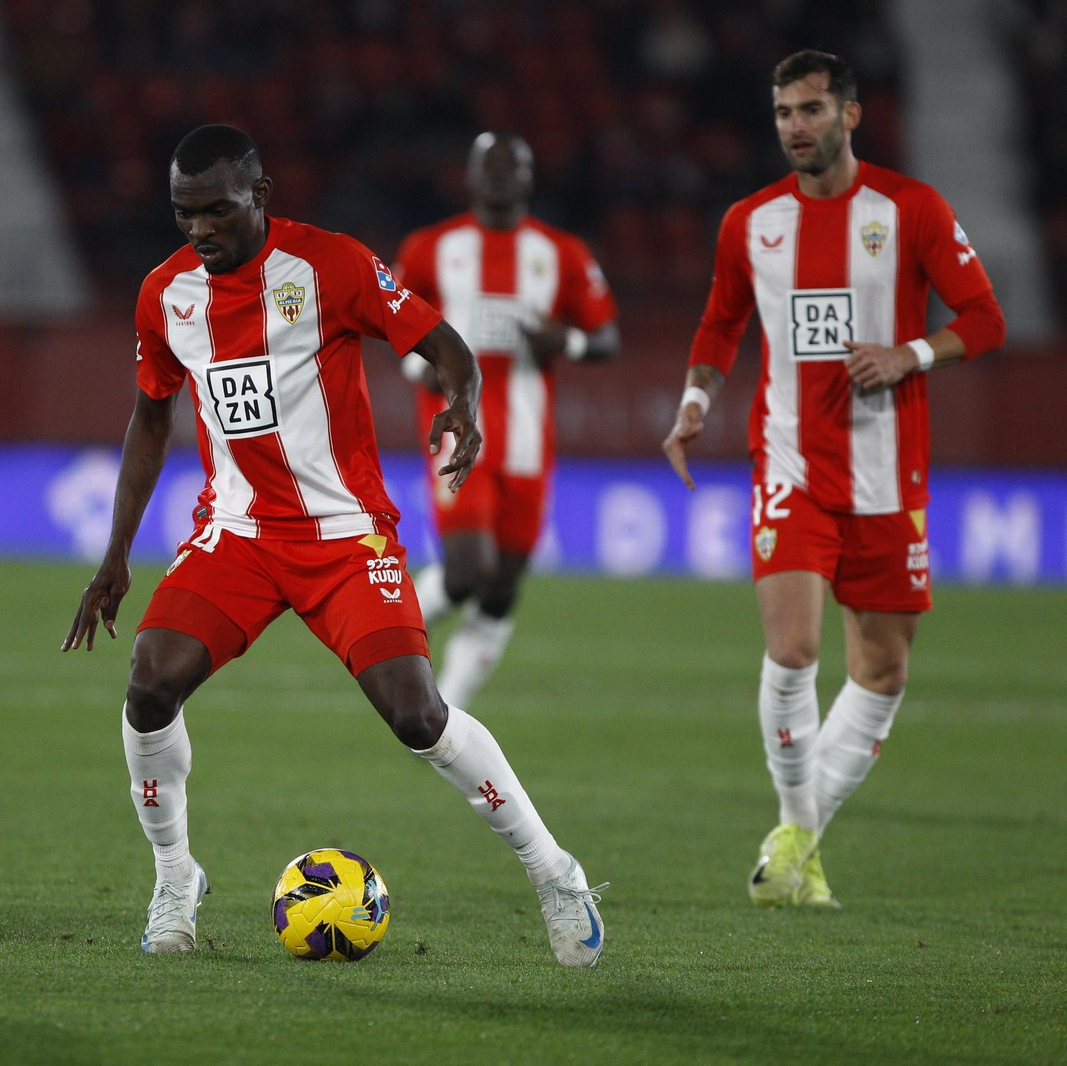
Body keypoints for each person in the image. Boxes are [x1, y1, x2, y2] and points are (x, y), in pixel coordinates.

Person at [62, 125, 607, 967]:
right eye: (183, 214)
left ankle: (554, 870)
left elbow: (443, 344)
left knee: (418, 715)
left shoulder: (332, 266)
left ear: (261, 195)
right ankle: (176, 877)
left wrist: (463, 405)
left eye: (216, 210)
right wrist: (114, 556)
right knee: (148, 685)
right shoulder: (165, 295)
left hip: (345, 536)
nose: (199, 229)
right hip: (236, 535)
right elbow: (149, 416)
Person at [662, 51, 1005, 907]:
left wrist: (910, 354)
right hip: (789, 462)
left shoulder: (911, 210)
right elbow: (721, 320)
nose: (795, 127)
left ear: (850, 115)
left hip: (889, 472)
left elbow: (986, 319)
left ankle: (799, 844)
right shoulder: (750, 222)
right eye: (783, 112)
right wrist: (696, 398)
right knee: (793, 649)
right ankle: (793, 819)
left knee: (882, 672)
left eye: (812, 110)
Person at [394, 131, 619, 709]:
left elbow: (606, 336)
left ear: (529, 177)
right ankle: (387, 642)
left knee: (504, 582)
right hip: (456, 427)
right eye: (488, 166)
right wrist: (420, 369)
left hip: (526, 434)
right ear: (467, 175)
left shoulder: (561, 253)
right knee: (468, 569)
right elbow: (388, 320)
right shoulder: (428, 248)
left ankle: (449, 705)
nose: (499, 175)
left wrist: (563, 339)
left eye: (512, 166)